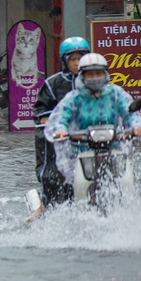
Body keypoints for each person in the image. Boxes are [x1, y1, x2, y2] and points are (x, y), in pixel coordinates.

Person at [44, 53, 141, 186]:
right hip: (81, 153)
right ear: (82, 76)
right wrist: (60, 129)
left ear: (105, 74)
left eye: (98, 73)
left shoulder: (116, 93)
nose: (95, 78)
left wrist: (136, 126)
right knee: (74, 185)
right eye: (90, 74)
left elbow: (129, 111)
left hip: (113, 149)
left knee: (127, 182)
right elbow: (62, 115)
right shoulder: (74, 97)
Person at [32, 37, 90, 209]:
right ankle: (49, 204)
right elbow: (41, 112)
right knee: (52, 173)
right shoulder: (53, 83)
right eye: (72, 59)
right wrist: (57, 126)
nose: (77, 63)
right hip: (60, 138)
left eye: (81, 58)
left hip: (89, 136)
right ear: (65, 61)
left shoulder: (97, 81)